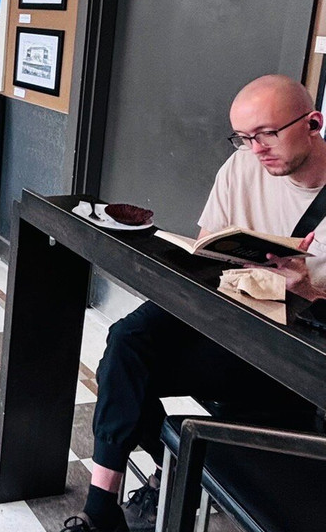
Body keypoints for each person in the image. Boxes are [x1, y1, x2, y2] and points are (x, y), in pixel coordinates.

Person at [63, 74, 326, 532]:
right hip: (225, 310)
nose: (256, 149)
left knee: (129, 375)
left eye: (267, 133)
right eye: (243, 137)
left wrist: (306, 291)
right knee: (126, 344)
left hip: (286, 350)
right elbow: (207, 251)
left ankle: (169, 472)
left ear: (313, 123)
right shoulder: (242, 165)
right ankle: (103, 505)